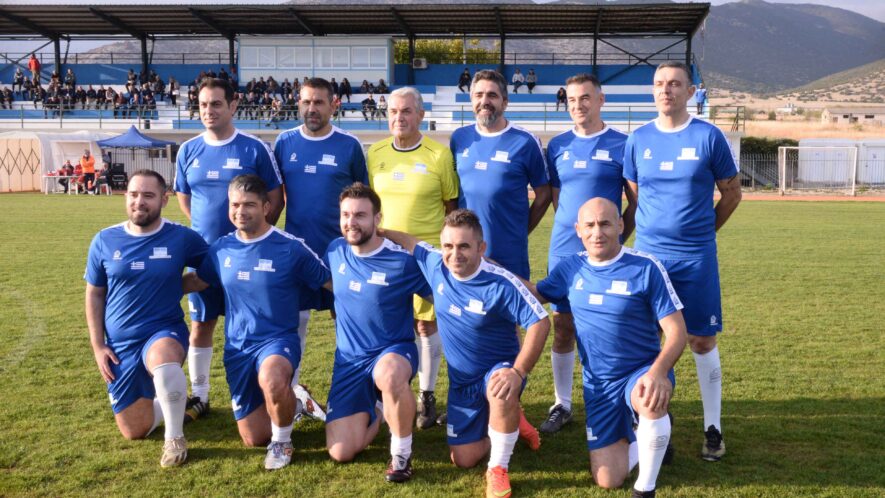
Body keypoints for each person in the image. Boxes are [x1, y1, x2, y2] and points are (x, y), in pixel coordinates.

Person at [382, 209, 550, 498]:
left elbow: (540, 322)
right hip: (462, 382)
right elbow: (411, 242)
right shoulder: (436, 264)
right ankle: (511, 422)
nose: (454, 254)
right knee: (464, 459)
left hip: (499, 370)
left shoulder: (500, 283)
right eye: (448, 246)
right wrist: (381, 232)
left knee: (500, 388)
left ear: (481, 248)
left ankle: (498, 468)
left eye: (464, 246)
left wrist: (517, 371)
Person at [528, 197, 687, 498]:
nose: (597, 232)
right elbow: (536, 293)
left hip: (641, 371)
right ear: (578, 230)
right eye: (589, 225)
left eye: (605, 224)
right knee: (608, 479)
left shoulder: (646, 267)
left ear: (621, 225)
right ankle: (653, 434)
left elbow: (677, 332)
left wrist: (658, 373)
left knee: (648, 396)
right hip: (599, 384)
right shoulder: (570, 268)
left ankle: (645, 488)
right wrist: (489, 270)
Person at [623, 61, 742, 462]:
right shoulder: (638, 139)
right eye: (659, 83)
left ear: (691, 92)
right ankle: (654, 422)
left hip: (695, 259)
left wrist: (704, 233)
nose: (666, 90)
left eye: (675, 84)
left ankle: (713, 428)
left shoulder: (709, 137)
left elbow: (732, 194)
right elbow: (636, 195)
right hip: (649, 260)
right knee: (649, 341)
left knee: (701, 340)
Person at [184, 175, 332, 470]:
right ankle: (297, 402)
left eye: (249, 205)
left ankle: (282, 442)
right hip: (238, 348)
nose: (241, 211)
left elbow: (330, 282)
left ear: (266, 207)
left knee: (272, 379)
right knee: (253, 437)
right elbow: (199, 280)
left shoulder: (291, 248)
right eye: (235, 204)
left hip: (278, 341)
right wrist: (154, 286)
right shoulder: (222, 248)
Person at [174, 78, 284, 425]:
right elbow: (185, 198)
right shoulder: (188, 150)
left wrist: (253, 238)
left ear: (233, 106)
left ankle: (271, 389)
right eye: (203, 105)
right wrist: (206, 233)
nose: (209, 111)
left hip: (248, 256)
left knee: (254, 323)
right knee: (201, 323)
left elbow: (275, 198)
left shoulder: (254, 149)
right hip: (204, 256)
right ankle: (201, 394)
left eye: (216, 104)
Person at [84, 170, 209, 467]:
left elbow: (213, 269)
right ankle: (179, 400)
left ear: (164, 200)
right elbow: (95, 294)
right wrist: (98, 346)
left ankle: (174, 438)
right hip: (120, 344)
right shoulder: (104, 240)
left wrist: (179, 286)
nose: (139, 202)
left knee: (164, 364)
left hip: (164, 330)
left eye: (148, 196)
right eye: (133, 194)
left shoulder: (181, 237)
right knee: (134, 430)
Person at [540, 73, 635, 434]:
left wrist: (616, 237)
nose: (578, 105)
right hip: (564, 249)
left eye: (585, 98)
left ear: (600, 100)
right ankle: (562, 404)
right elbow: (558, 199)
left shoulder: (622, 144)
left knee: (605, 326)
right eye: (571, 100)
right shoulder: (557, 145)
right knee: (562, 326)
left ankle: (611, 399)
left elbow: (635, 202)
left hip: (605, 250)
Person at [324, 183, 431, 482]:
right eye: (346, 215)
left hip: (393, 352)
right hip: (350, 361)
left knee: (390, 375)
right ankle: (382, 406)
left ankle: (401, 454)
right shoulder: (335, 250)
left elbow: (440, 294)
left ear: (377, 219)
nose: (351, 222)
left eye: (360, 215)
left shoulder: (402, 261)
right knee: (341, 451)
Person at [366, 86, 460, 430]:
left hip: (425, 258)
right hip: (385, 257)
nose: (399, 117)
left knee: (425, 325)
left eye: (406, 111)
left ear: (420, 115)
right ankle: (388, 392)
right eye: (393, 111)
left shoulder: (439, 155)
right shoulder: (374, 153)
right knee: (388, 324)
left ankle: (427, 394)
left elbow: (451, 207)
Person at [273, 77, 367, 400]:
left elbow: (363, 198)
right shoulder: (284, 142)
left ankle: (351, 392)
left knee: (347, 323)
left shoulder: (349, 145)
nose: (311, 108)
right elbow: (274, 197)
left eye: (318, 102)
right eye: (306, 102)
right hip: (297, 252)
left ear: (333, 105)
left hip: (340, 252)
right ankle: (292, 394)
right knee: (294, 323)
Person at [450, 69, 551, 280]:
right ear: (471, 100)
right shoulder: (459, 138)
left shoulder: (525, 142)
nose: (484, 101)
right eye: (478, 95)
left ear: (504, 102)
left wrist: (521, 230)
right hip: (465, 255)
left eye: (492, 95)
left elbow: (544, 194)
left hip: (509, 256)